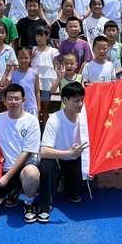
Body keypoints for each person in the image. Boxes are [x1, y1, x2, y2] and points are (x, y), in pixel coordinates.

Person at [0, 84, 41, 224]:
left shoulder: (32, 121)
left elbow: (27, 153)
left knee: (31, 172)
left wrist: (6, 177)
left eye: (17, 99)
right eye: (10, 99)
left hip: (23, 169)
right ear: (4, 101)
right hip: (2, 170)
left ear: (23, 101)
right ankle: (11, 192)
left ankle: (29, 204)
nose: (13, 102)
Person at [37, 82, 90, 223]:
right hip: (58, 159)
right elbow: (44, 151)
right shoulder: (55, 119)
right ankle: (44, 207)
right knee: (47, 165)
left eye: (82, 100)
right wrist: (69, 153)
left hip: (77, 159)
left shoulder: (85, 119)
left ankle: (64, 183)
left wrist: (92, 166)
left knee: (77, 193)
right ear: (65, 100)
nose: (80, 104)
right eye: (76, 100)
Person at [31, 25, 59, 130]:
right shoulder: (33, 50)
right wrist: (31, 57)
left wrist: (56, 82)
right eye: (37, 36)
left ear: (47, 36)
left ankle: (45, 132)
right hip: (35, 82)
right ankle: (36, 131)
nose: (38, 38)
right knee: (36, 108)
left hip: (47, 82)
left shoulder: (53, 51)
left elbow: (54, 67)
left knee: (45, 108)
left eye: (41, 36)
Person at [0, 47, 41, 118]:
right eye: (21, 58)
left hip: (31, 106)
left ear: (30, 58)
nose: (23, 60)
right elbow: (2, 85)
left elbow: (37, 92)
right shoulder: (13, 74)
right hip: (17, 106)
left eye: (26, 58)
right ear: (17, 58)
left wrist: (38, 106)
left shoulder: (34, 73)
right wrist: (6, 71)